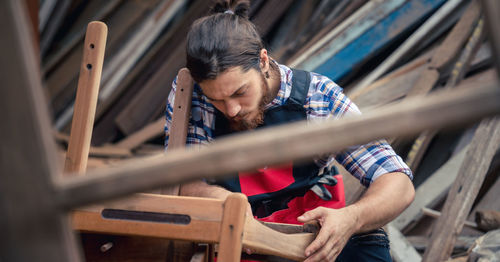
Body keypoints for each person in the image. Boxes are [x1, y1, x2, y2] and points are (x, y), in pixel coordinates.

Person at [164, 1, 415, 261]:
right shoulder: (191, 95)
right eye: (217, 100)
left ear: (262, 61)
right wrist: (223, 201)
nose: (231, 110)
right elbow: (181, 178)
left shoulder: (317, 97)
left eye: (240, 92)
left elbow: (398, 182)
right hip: (237, 234)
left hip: (310, 232)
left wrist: (351, 218)